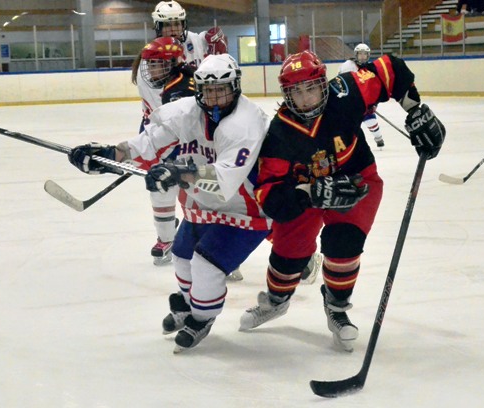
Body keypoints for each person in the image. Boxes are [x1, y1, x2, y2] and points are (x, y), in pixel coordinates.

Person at [239, 50, 445, 352]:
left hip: (356, 181)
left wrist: (414, 109)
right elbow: (268, 193)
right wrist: (308, 194)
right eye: (296, 92)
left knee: (343, 244)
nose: (306, 98)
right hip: (305, 193)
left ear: (324, 84)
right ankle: (276, 301)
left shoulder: (345, 92)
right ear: (286, 94)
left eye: (311, 88)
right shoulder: (279, 133)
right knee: (288, 256)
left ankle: (336, 307)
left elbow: (390, 69)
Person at [68, 54, 273, 353]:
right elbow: (149, 143)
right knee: (181, 257)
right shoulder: (186, 112)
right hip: (200, 206)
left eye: (222, 89)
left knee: (206, 265)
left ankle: (202, 317)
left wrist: (178, 172)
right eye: (208, 90)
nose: (214, 97)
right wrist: (112, 154)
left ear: (235, 86)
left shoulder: (247, 123)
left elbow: (224, 182)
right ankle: (189, 305)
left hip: (243, 209)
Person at [136, 0, 228, 267]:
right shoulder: (150, 60)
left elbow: (221, 75)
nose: (173, 29)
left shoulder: (198, 41)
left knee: (204, 186)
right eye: (167, 24)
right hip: (165, 126)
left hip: (200, 123)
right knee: (162, 185)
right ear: (157, 26)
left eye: (177, 23)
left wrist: (221, 54)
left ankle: (213, 240)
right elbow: (168, 112)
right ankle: (166, 238)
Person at [339, 43, 385, 149]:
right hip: (350, 100)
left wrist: (374, 103)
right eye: (360, 54)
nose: (363, 56)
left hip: (364, 100)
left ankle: (378, 137)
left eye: (365, 54)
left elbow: (375, 89)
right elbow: (342, 82)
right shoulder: (348, 65)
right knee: (349, 123)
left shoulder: (371, 69)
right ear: (356, 55)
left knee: (370, 120)